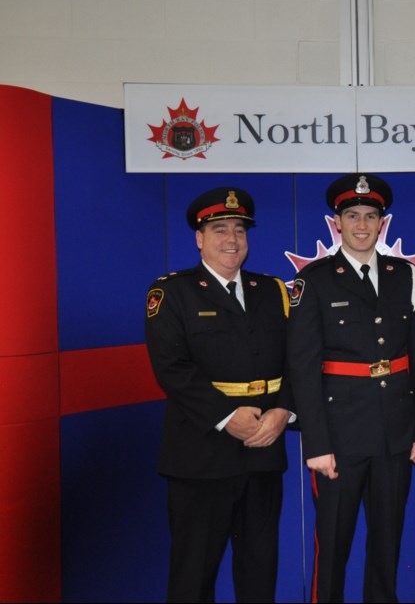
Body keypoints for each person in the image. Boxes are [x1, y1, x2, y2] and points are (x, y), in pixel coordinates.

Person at [286, 173, 415, 603]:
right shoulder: (313, 280)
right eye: (352, 215)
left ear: (381, 222)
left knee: (386, 544)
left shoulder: (403, 276)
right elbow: (303, 365)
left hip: (395, 431)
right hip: (338, 435)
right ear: (337, 223)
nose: (361, 224)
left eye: (370, 216)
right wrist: (315, 442)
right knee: (333, 544)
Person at [145, 186, 294, 603]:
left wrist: (284, 410)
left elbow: (298, 361)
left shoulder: (274, 291)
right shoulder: (172, 293)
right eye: (219, 229)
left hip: (264, 447)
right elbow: (172, 368)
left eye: (239, 230)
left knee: (259, 573)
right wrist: (230, 417)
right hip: (201, 454)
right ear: (199, 237)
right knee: (194, 575)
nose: (231, 239)